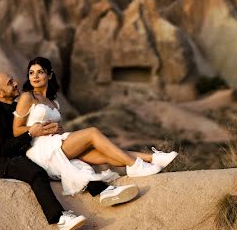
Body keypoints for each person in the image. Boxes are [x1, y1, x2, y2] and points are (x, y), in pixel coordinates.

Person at [0, 72, 141, 230]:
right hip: (3, 162)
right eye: (10, 83)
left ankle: (103, 190)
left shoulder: (18, 107)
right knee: (36, 173)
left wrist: (50, 130)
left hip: (26, 152)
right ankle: (60, 219)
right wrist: (30, 134)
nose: (16, 83)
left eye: (13, 79)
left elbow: (33, 129)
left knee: (69, 159)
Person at [14, 57, 178, 197]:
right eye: (31, 73)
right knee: (92, 133)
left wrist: (59, 130)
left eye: (40, 72)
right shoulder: (27, 97)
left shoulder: (53, 102)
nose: (35, 76)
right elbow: (16, 130)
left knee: (104, 154)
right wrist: (36, 129)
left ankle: (152, 158)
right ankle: (135, 166)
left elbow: (57, 127)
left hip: (56, 142)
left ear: (49, 75)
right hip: (40, 149)